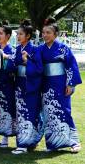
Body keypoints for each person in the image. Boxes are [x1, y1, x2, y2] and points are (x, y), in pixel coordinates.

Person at [41, 17, 82, 152]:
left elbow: (71, 66)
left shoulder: (63, 48)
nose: (45, 35)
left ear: (55, 34)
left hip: (60, 84)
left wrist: (71, 84)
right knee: (48, 113)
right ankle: (52, 143)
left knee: (64, 111)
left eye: (48, 32)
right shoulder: (40, 49)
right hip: (46, 85)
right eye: (43, 32)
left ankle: (74, 142)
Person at [7, 20, 43, 154]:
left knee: (30, 114)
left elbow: (39, 69)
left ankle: (25, 144)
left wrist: (28, 62)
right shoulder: (17, 49)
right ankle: (24, 143)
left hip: (31, 86)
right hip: (20, 85)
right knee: (21, 114)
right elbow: (13, 65)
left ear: (28, 36)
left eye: (20, 34)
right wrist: (11, 63)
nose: (18, 36)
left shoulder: (35, 49)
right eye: (17, 34)